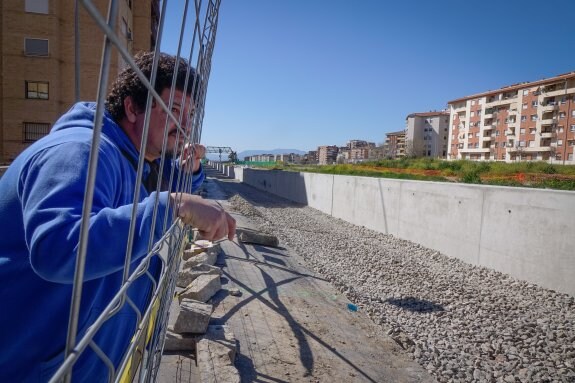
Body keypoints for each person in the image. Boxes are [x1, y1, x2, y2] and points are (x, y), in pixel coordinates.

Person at [0, 52, 235, 381]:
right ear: (131, 107)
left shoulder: (134, 159)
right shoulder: (81, 151)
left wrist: (192, 173)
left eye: (190, 115)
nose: (185, 125)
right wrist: (173, 205)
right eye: (175, 110)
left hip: (76, 361)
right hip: (30, 367)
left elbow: (173, 177)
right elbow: (58, 247)